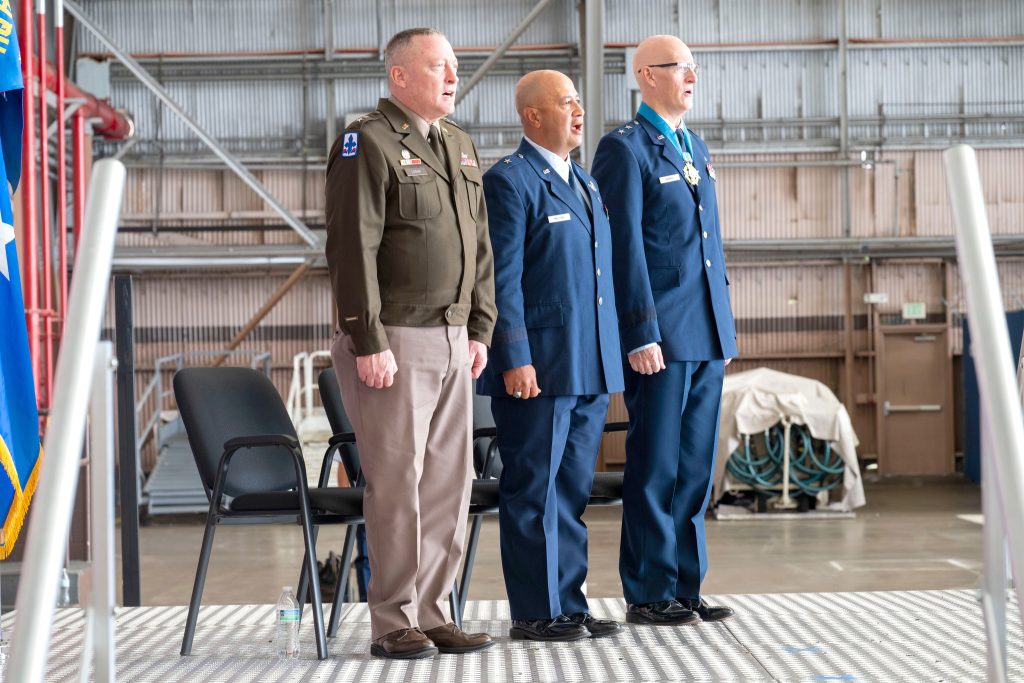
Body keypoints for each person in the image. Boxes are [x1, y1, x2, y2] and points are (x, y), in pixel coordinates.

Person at [324, 27, 496, 659]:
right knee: (398, 483)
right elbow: (351, 246)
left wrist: (479, 327)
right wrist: (367, 338)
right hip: (393, 337)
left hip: (454, 340)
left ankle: (434, 609)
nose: (453, 76)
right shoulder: (366, 141)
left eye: (455, 65)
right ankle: (393, 620)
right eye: (437, 66)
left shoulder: (457, 143)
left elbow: (480, 248)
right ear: (399, 76)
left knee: (450, 483)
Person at [591, 34, 737, 626]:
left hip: (704, 332)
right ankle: (650, 592)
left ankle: (686, 585)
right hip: (661, 336)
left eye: (696, 67)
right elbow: (623, 249)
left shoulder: (692, 146)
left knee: (696, 468)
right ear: (647, 76)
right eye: (682, 68)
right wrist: (639, 331)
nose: (693, 77)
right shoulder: (624, 150)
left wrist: (724, 327)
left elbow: (710, 248)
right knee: (656, 467)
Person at [478, 70, 623, 641]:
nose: (579, 111)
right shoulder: (510, 183)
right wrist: (514, 357)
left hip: (586, 365)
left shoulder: (584, 184)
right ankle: (536, 612)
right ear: (533, 116)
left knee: (569, 493)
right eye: (566, 103)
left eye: (579, 102)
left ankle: (569, 601)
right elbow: (501, 280)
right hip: (537, 368)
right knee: (534, 490)